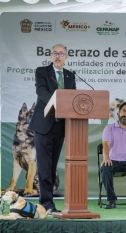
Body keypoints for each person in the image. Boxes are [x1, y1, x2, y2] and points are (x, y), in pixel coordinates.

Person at [29, 44, 76, 214]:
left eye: (61, 53)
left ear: (66, 56)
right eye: (55, 53)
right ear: (50, 56)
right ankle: (46, 203)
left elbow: (74, 98)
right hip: (44, 125)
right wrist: (59, 102)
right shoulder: (41, 71)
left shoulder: (70, 75)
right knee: (44, 166)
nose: (58, 56)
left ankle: (48, 201)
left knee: (52, 166)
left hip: (61, 126)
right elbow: (41, 92)